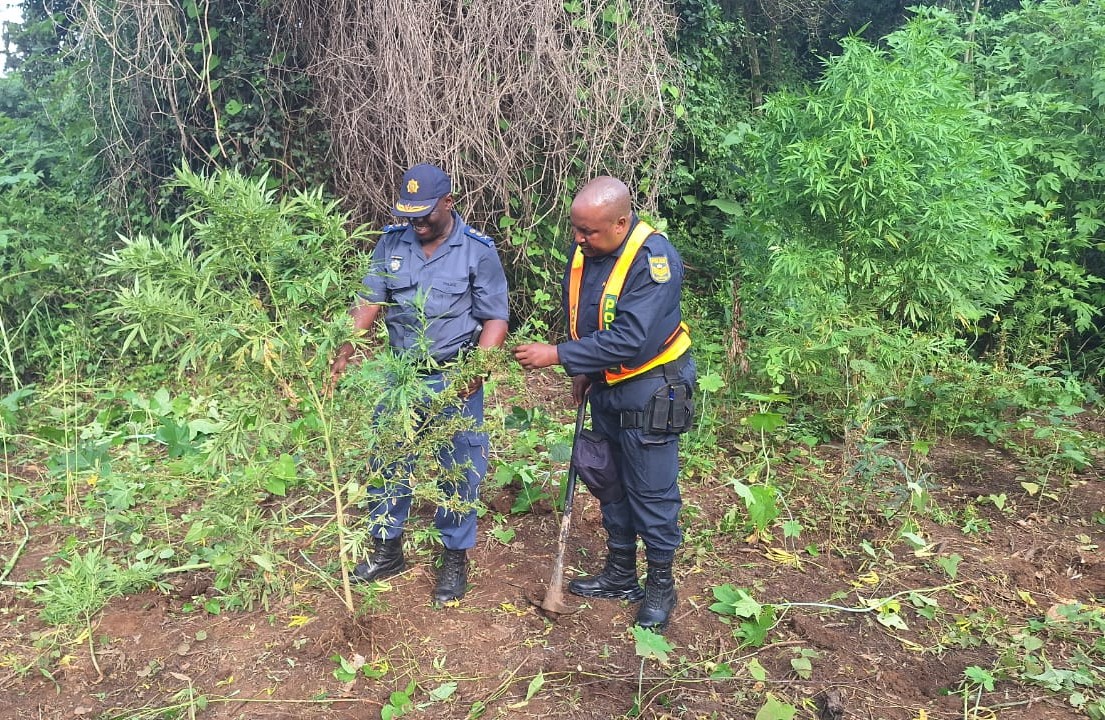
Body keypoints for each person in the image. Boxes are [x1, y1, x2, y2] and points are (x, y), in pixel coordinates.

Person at [513, 176, 695, 631]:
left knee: (651, 492)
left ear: (620, 222)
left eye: (589, 232)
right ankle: (619, 573)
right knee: (608, 479)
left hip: (652, 387)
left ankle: (660, 586)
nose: (578, 240)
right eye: (576, 229)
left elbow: (630, 338)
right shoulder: (588, 251)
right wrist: (583, 370)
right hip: (607, 386)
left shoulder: (654, 261)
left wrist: (556, 355)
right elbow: (583, 313)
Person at [330, 162, 509, 605]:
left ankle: (454, 557)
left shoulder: (477, 251)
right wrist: (344, 350)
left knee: (459, 468)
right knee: (389, 459)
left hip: (455, 376)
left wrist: (476, 371)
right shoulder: (392, 244)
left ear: (449, 202)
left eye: (425, 213)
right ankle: (387, 548)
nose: (417, 223)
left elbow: (495, 319)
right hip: (401, 376)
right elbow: (371, 301)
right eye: (409, 214)